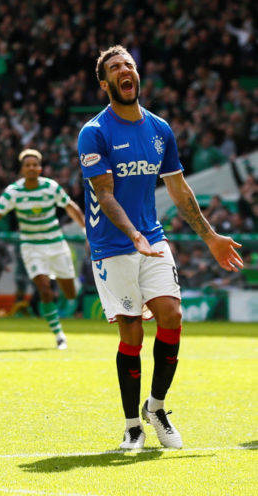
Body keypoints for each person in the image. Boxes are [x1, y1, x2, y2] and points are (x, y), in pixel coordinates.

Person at [77, 45, 243, 450]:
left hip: (151, 237)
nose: (124, 70)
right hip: (112, 244)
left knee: (171, 315)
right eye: (115, 68)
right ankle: (133, 425)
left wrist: (211, 237)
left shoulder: (159, 129)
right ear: (105, 83)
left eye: (129, 64)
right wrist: (131, 234)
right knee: (132, 334)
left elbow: (178, 187)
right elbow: (104, 194)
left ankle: (157, 406)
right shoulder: (94, 132)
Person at [0, 148, 85, 350]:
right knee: (44, 289)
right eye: (27, 165)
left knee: (71, 294)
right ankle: (59, 335)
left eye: (35, 165)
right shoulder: (13, 191)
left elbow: (71, 207)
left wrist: (85, 230)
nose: (31, 168)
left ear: (40, 168)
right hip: (31, 247)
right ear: (22, 169)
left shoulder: (51, 187)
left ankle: (63, 280)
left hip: (56, 244)